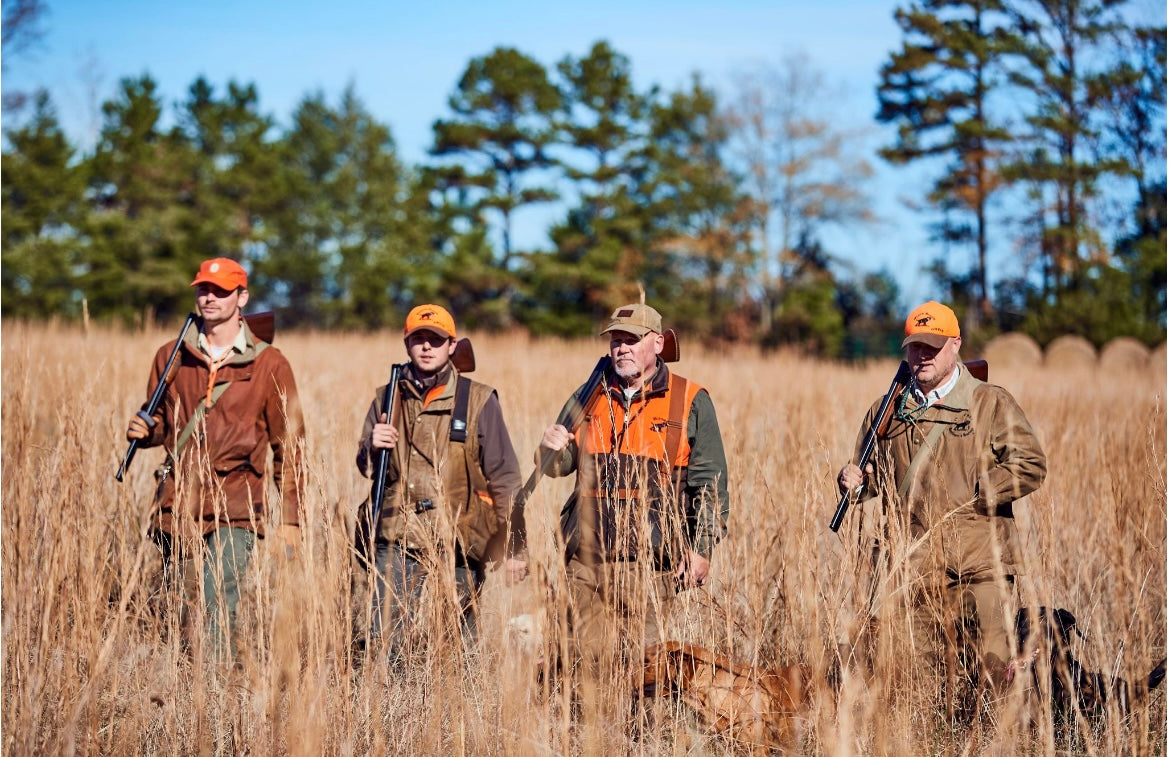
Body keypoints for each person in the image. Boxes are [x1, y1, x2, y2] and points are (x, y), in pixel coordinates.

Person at [836, 300, 1047, 713]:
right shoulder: (886, 411)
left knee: (995, 674)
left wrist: (983, 488)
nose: (923, 355)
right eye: (915, 346)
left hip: (982, 563)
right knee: (919, 684)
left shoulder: (989, 402)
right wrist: (852, 483)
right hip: (913, 567)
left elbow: (1032, 463)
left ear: (956, 344)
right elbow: (873, 479)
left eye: (933, 346)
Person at [126, 257, 305, 661]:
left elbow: (290, 445)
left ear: (242, 297)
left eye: (221, 291)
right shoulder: (171, 355)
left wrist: (292, 518)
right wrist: (143, 430)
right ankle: (182, 693)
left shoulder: (269, 363)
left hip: (237, 502)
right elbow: (163, 423)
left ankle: (218, 696)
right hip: (178, 501)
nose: (209, 297)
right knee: (178, 602)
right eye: (203, 289)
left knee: (219, 599)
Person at [537, 303, 730, 676]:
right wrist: (548, 448)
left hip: (651, 565)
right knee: (580, 667)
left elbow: (710, 482)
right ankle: (585, 735)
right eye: (615, 340)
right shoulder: (590, 394)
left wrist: (702, 547)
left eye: (632, 340)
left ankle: (640, 737)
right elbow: (557, 467)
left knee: (643, 671)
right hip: (585, 561)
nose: (621, 348)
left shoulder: (689, 400)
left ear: (658, 343)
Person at [356, 304, 524, 658]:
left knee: (459, 643)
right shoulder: (386, 398)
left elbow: (505, 475)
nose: (427, 347)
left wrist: (514, 546)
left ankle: (457, 710)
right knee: (385, 638)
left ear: (452, 346)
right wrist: (373, 445)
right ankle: (391, 707)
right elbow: (367, 468)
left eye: (436, 339)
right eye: (418, 339)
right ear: (407, 345)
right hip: (397, 532)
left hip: (461, 536)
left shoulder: (478, 399)